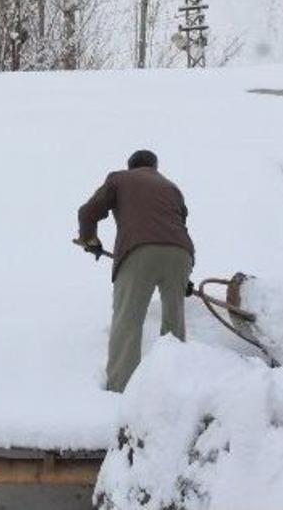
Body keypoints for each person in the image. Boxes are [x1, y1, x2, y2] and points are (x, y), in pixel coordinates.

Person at [76, 149, 195, 392]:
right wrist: (185, 280)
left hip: (139, 251)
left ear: (131, 166)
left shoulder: (119, 179)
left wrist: (90, 241)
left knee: (128, 319)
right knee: (175, 322)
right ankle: (173, 386)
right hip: (181, 253)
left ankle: (122, 389)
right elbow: (178, 225)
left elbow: (87, 212)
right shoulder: (172, 188)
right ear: (155, 167)